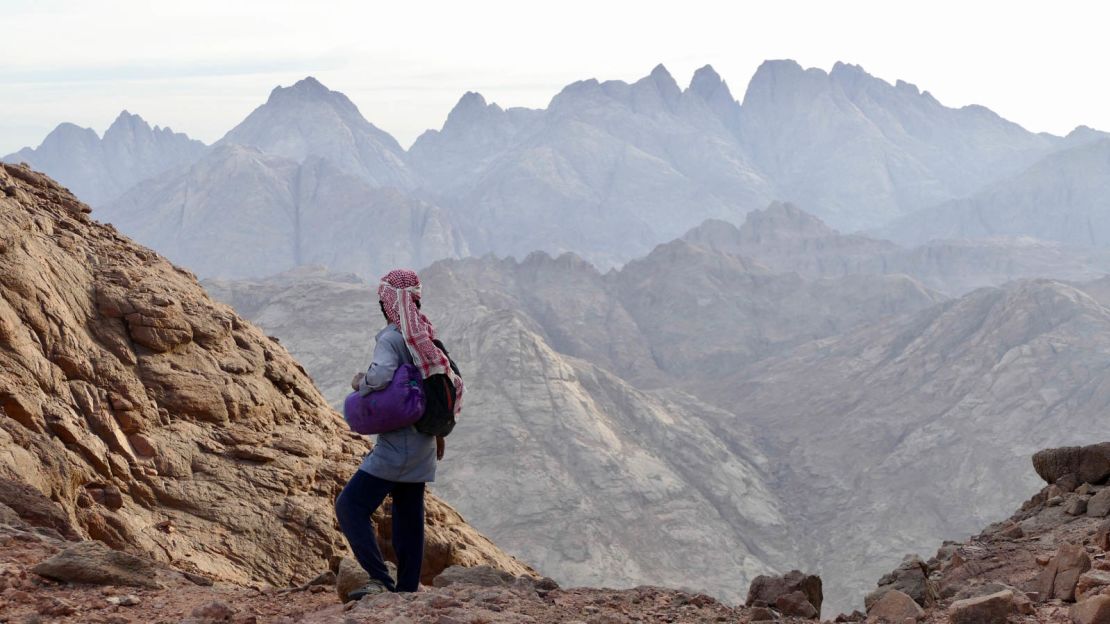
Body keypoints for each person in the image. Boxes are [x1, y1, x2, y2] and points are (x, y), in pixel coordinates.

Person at [334, 269, 460, 600]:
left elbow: (380, 375)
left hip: (398, 445)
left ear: (388, 303)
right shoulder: (426, 337)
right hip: (424, 442)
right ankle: (406, 592)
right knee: (408, 514)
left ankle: (380, 579)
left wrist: (359, 382)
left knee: (350, 506)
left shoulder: (392, 338)